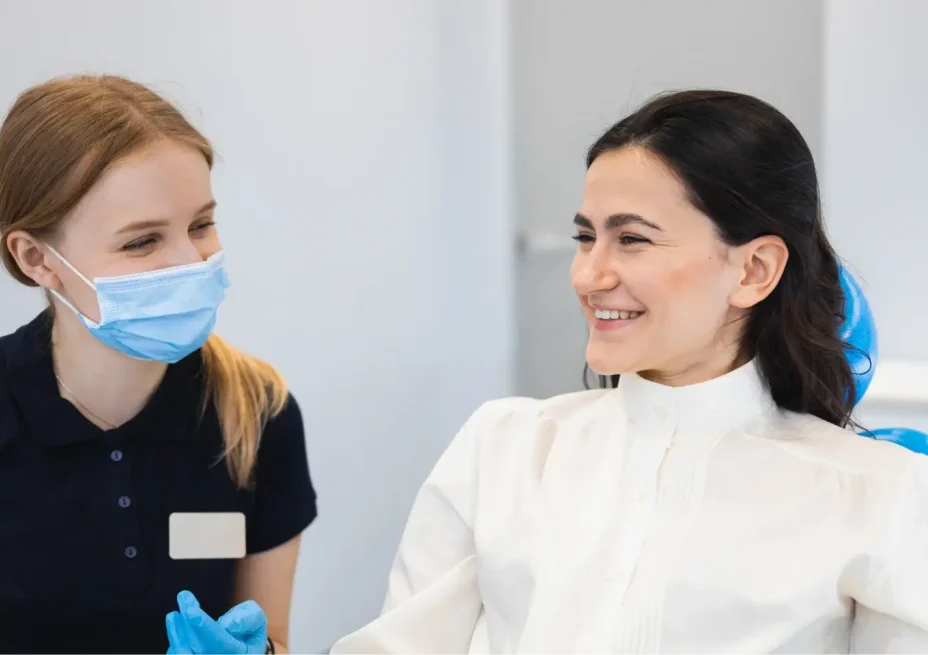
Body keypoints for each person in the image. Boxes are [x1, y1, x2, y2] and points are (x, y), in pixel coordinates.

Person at [330, 90, 928, 653]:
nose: (589, 275)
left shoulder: (880, 493)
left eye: (633, 239)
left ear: (753, 271)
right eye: (585, 237)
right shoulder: (507, 447)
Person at [0, 75, 317, 654]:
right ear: (37, 259)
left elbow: (270, 635)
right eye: (142, 241)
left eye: (201, 225)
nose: (189, 263)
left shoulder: (258, 412)